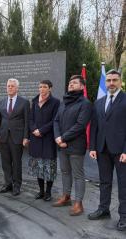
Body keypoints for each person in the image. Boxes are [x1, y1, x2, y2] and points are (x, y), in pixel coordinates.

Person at [88, 69, 126, 231]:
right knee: (104, 181)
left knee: (124, 184)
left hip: (121, 151)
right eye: (108, 80)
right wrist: (93, 147)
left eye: (114, 80)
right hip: (102, 149)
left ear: (120, 81)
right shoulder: (98, 102)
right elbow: (95, 126)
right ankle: (103, 209)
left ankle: (124, 216)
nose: (111, 83)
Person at [53, 75, 92, 216]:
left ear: (82, 86)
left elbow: (80, 125)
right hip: (61, 144)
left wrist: (63, 138)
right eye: (70, 82)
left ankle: (78, 203)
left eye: (74, 83)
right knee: (64, 171)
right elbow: (56, 121)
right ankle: (66, 197)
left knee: (78, 174)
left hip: (75, 145)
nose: (71, 84)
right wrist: (57, 138)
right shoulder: (64, 102)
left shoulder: (85, 103)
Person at [0, 78, 30, 196]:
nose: (10, 88)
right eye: (8, 86)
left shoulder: (24, 102)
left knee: (16, 162)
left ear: (17, 88)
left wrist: (26, 137)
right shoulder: (1, 102)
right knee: (6, 162)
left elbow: (27, 121)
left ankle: (17, 185)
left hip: (17, 137)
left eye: (12, 86)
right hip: (3, 137)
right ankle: (7, 184)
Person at [28, 80, 60, 201]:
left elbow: (55, 120)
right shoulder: (34, 101)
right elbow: (30, 118)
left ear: (50, 88)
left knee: (49, 167)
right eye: (40, 86)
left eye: (44, 87)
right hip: (35, 138)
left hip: (48, 139)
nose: (42, 89)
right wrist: (34, 129)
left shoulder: (55, 102)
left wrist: (42, 130)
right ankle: (41, 191)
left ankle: (48, 192)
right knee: (38, 167)